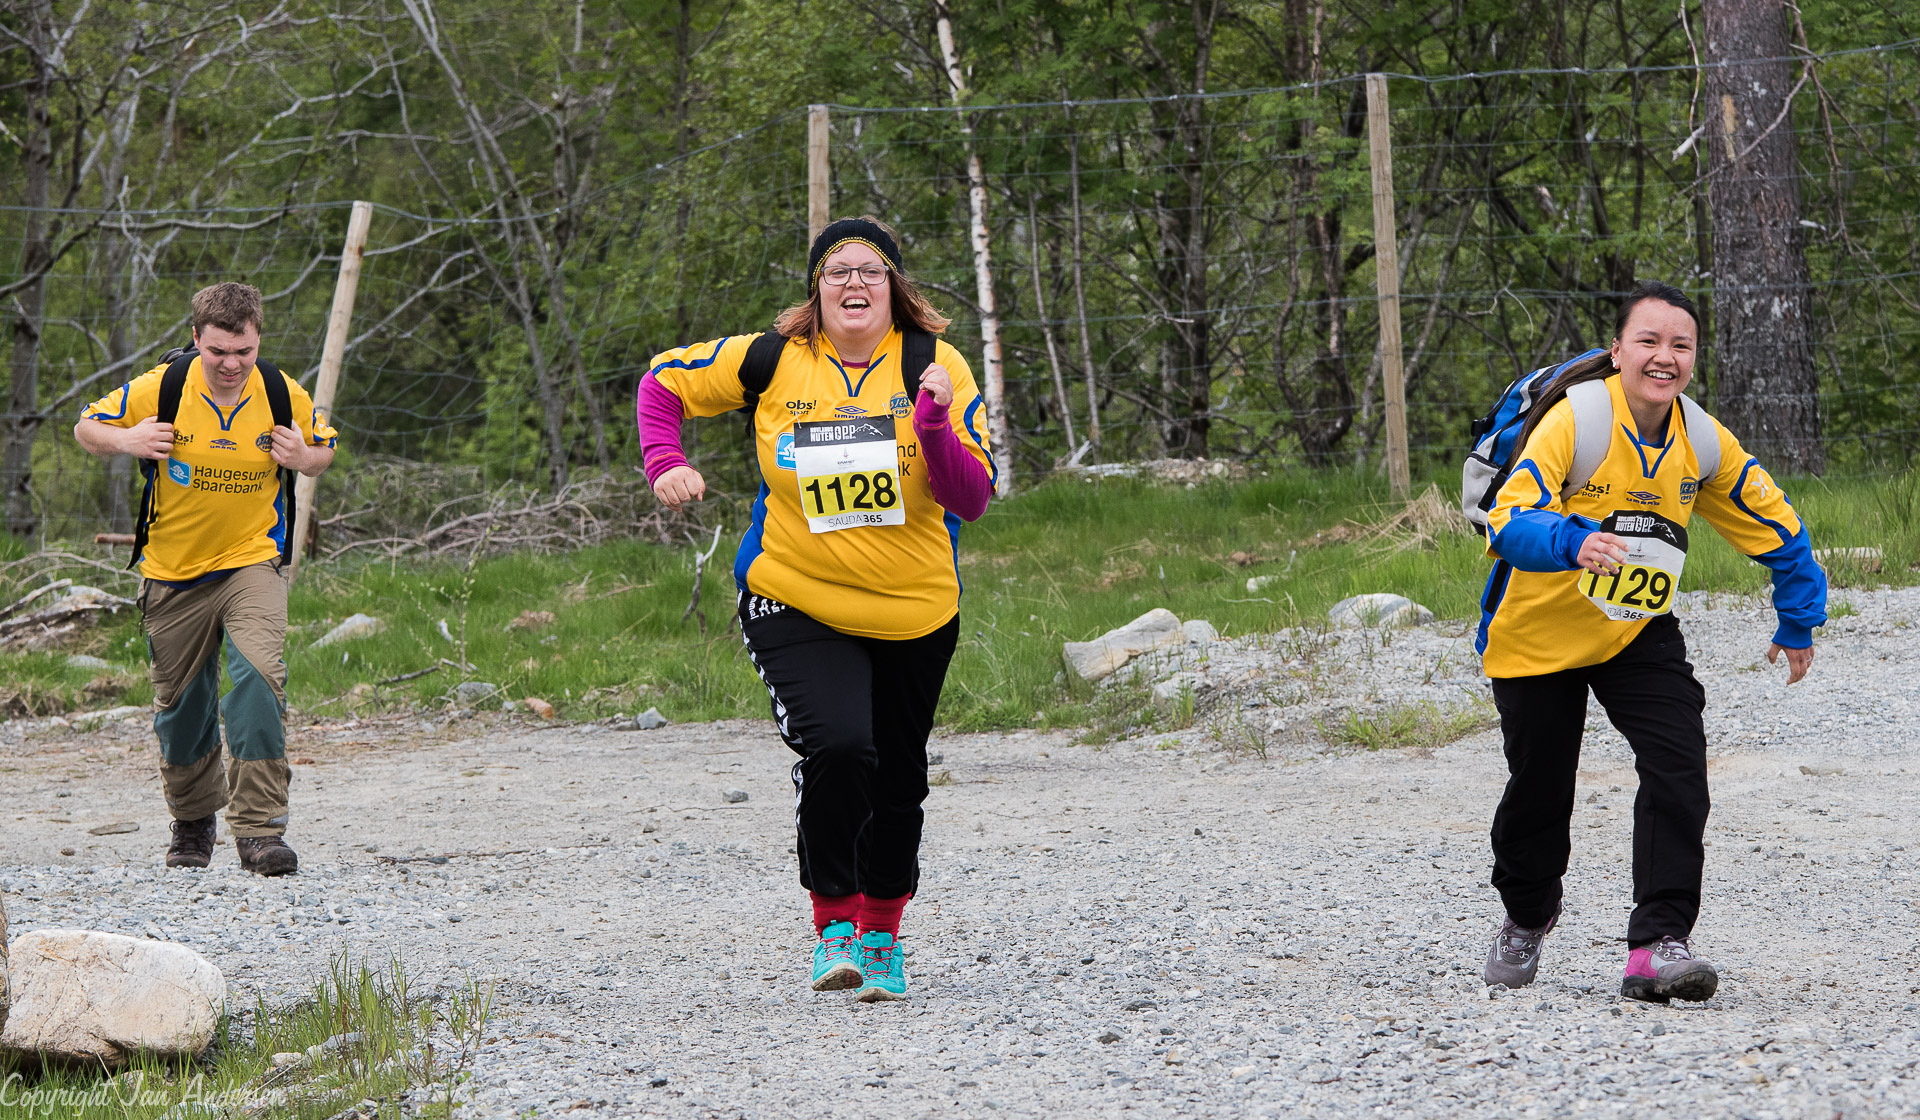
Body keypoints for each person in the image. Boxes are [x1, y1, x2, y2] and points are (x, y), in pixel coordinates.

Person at [636, 216, 994, 1002]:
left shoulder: (936, 365)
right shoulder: (772, 358)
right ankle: (833, 922)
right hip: (792, 591)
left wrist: (934, 425)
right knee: (839, 746)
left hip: (914, 607)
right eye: (838, 271)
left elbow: (972, 497)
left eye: (871, 270)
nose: (854, 283)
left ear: (895, 288)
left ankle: (881, 937)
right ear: (817, 289)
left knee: (898, 778)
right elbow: (661, 383)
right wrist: (665, 460)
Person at [1476, 280, 1825, 1003]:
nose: (1664, 357)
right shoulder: (1577, 420)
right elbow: (1509, 519)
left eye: (1681, 345)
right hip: (1536, 631)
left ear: (1694, 358)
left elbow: (1779, 525)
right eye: (1649, 341)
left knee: (1678, 763)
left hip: (1633, 627)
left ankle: (1658, 944)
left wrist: (1798, 616)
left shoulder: (1701, 439)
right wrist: (1573, 541)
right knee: (1539, 789)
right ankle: (1527, 912)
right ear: (1618, 351)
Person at [74, 282, 337, 876]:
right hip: (173, 573)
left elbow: (324, 448)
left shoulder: (280, 392)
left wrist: (304, 458)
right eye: (218, 350)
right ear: (196, 339)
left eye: (243, 351)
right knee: (183, 708)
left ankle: (260, 832)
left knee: (258, 680)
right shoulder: (162, 387)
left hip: (252, 563)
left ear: (258, 341)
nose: (231, 364)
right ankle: (193, 823)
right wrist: (129, 439)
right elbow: (86, 427)